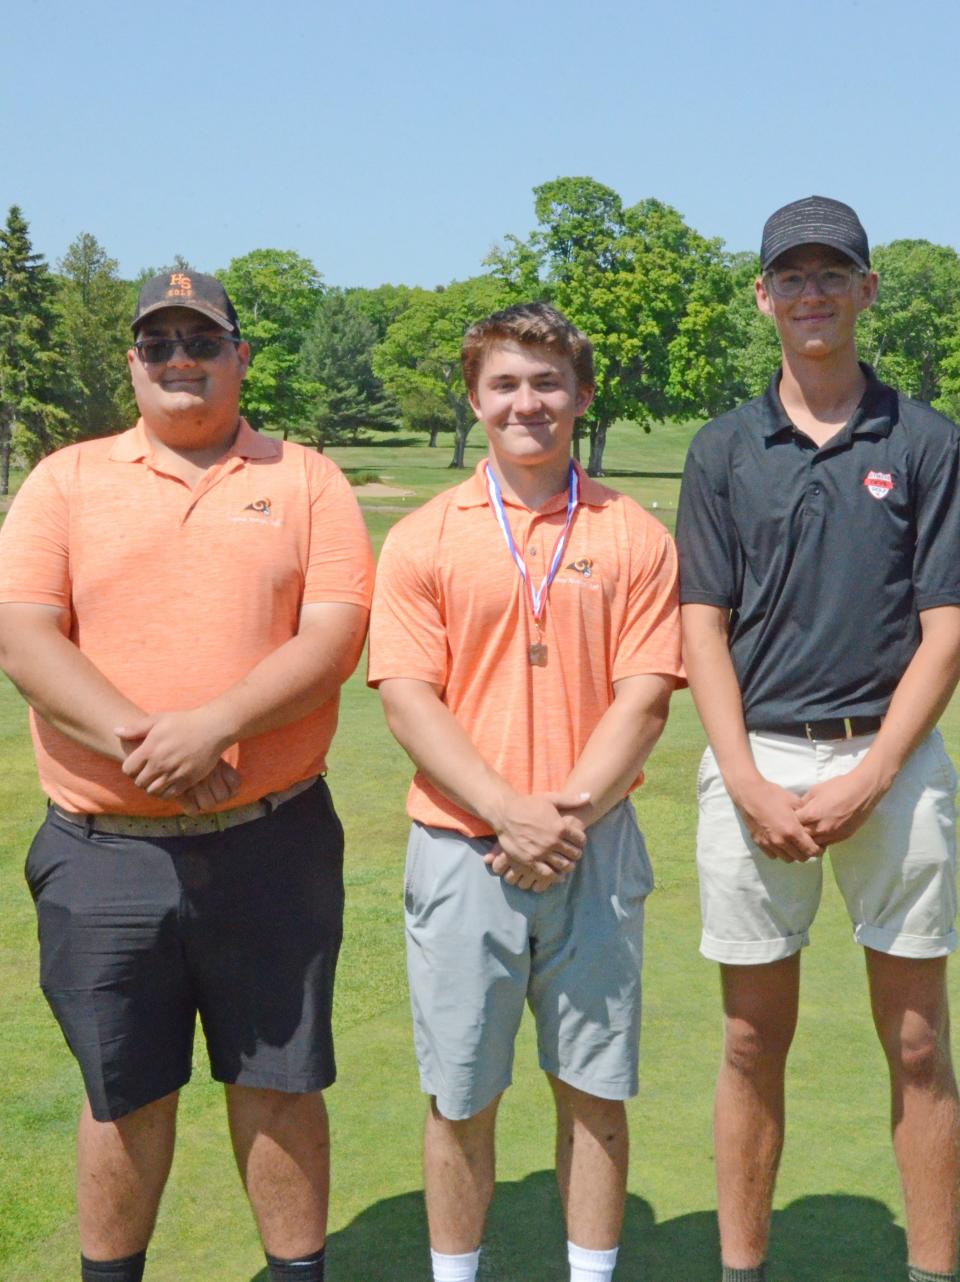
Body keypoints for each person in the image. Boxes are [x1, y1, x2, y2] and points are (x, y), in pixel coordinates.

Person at [0, 270, 374, 1282]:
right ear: (131, 362)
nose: (178, 360)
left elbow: (335, 633)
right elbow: (25, 635)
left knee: (281, 1083)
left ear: (239, 358)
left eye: (200, 341)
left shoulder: (307, 479)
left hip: (273, 841)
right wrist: (149, 744)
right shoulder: (65, 479)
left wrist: (214, 727)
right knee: (123, 1091)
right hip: (104, 853)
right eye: (156, 343)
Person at [368, 302, 684, 1282]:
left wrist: (559, 817)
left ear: (582, 396)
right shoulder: (426, 537)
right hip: (465, 850)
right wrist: (510, 812)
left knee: (594, 1087)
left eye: (548, 382)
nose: (527, 402)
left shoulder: (633, 532)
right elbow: (409, 698)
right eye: (504, 383)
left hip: (595, 846)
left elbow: (645, 698)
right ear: (475, 398)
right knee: (461, 1093)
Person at [676, 196, 960, 1282]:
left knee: (921, 1041)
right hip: (760, 763)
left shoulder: (928, 441)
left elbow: (946, 628)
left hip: (893, 762)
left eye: (831, 274)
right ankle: (744, 1268)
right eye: (790, 277)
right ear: (764, 296)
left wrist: (875, 771)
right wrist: (744, 777)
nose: (811, 294)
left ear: (865, 290)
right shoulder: (723, 449)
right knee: (751, 1040)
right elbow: (702, 622)